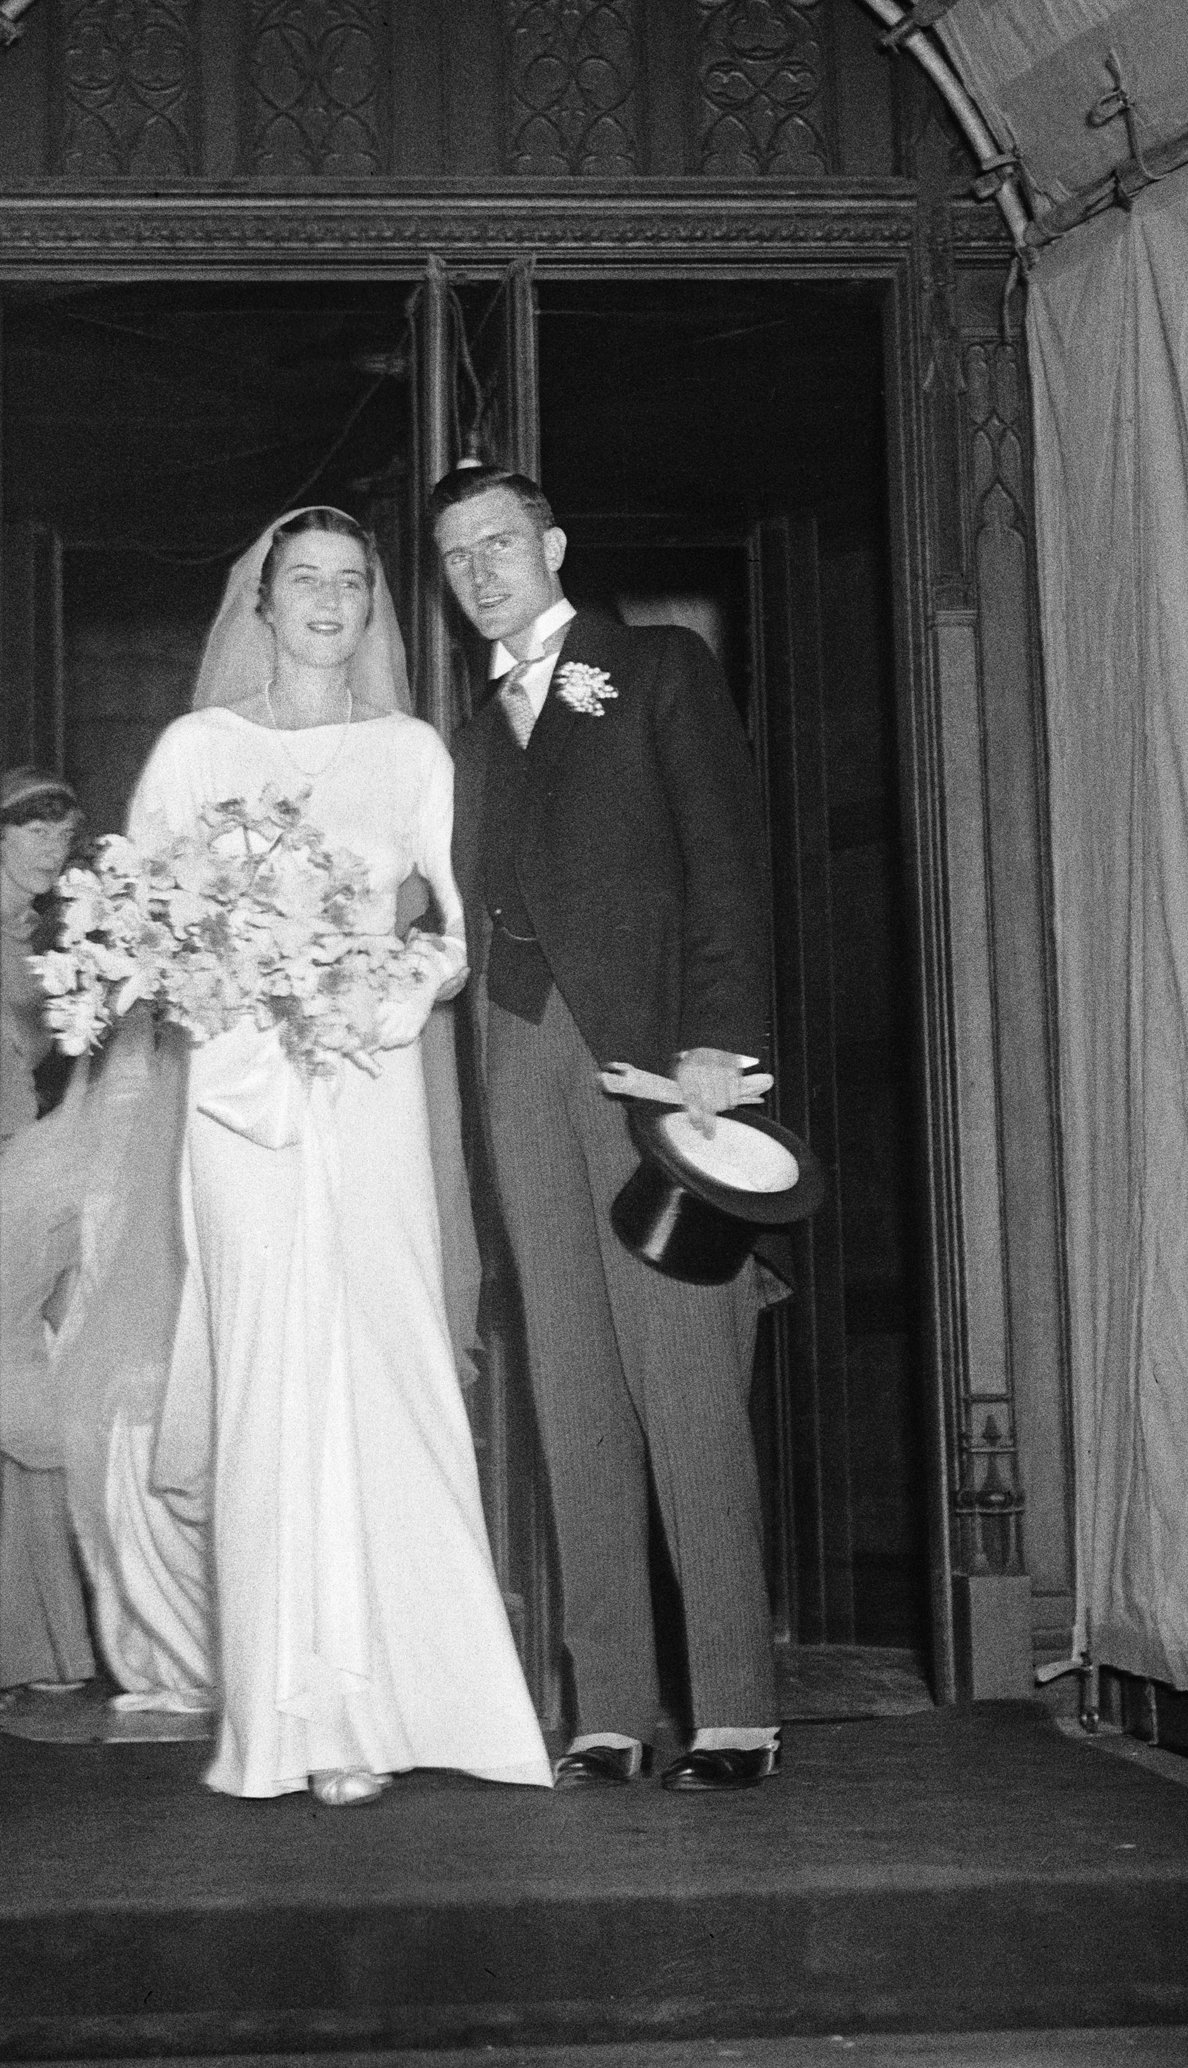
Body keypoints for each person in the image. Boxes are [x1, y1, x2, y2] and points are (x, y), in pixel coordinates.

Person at [105, 505, 551, 1805]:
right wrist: (239, 977)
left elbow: (463, 935)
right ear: (263, 603)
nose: (330, 600)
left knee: (385, 1360)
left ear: (372, 610)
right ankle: (284, 1718)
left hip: (363, 1089)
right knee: (270, 1375)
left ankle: (409, 1703)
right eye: (305, 578)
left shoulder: (410, 752)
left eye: (352, 582)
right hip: (243, 1108)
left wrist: (377, 986)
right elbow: (138, 925)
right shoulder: (198, 750)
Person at [433, 462, 782, 1793]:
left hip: (654, 1068)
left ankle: (738, 1706)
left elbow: (726, 868)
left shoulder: (659, 668)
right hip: (518, 1059)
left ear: (554, 544)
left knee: (684, 1371)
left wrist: (719, 1049)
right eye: (459, 553)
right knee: (569, 1383)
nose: (482, 569)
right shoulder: (467, 735)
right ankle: (611, 1708)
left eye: (502, 541)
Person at [0, 767, 98, 1693]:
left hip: (27, 1145)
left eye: (62, 839)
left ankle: (50, 1647)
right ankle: (32, 1645)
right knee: (4, 1357)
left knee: (20, 1352)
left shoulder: (44, 933)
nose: (50, 851)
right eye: (34, 833)